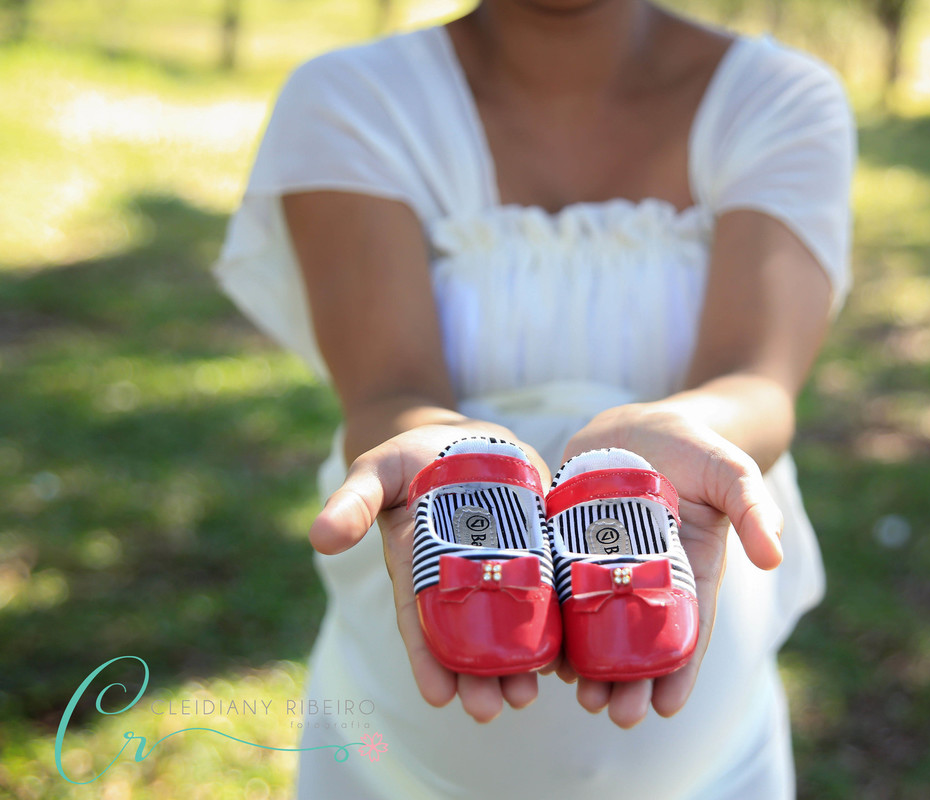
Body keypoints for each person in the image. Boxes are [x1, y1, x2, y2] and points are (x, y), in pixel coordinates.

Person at [213, 0, 855, 794]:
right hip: (402, 748)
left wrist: (675, 433)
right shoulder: (348, 99)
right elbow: (389, 391)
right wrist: (449, 455)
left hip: (711, 752)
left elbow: (758, 381)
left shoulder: (780, 97)